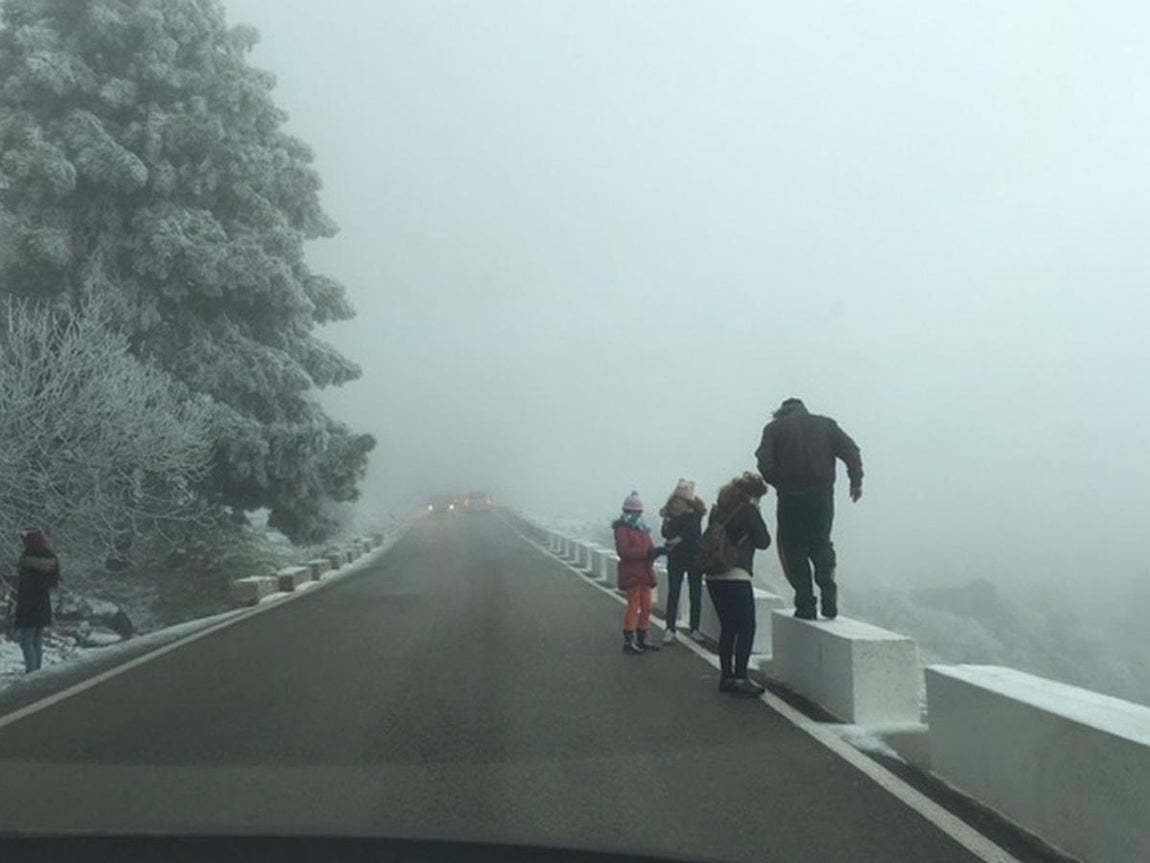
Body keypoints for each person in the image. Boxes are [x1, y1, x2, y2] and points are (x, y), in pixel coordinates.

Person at [754, 398, 863, 621]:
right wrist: (856, 481)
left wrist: (780, 482)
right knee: (821, 543)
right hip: (821, 496)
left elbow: (763, 462)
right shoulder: (826, 425)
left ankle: (805, 604)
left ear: (780, 412)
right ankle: (828, 590)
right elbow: (851, 450)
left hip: (790, 497)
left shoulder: (774, 428)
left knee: (792, 548)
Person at [704, 473, 771, 696]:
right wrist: (756, 512)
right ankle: (741, 677)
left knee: (728, 627)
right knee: (746, 626)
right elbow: (764, 541)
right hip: (736, 574)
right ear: (753, 494)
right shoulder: (749, 510)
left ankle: (727, 677)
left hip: (713, 575)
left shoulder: (717, 510)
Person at [613, 491, 665, 654]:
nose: (638, 514)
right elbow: (623, 551)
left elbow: (649, 549)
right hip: (631, 573)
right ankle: (629, 639)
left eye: (640, 512)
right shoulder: (622, 528)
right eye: (636, 512)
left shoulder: (642, 528)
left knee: (647, 606)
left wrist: (657, 551)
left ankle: (642, 636)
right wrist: (647, 553)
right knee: (634, 606)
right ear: (628, 511)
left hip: (645, 572)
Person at [659, 478, 707, 645]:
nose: (676, 504)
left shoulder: (695, 516)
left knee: (695, 594)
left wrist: (678, 539)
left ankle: (694, 628)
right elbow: (665, 534)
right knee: (673, 594)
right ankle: (670, 628)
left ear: (688, 503)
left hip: (694, 558)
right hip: (676, 559)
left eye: (679, 501)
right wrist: (667, 522)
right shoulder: (671, 517)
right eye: (675, 501)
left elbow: (693, 533)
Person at [15, 528, 60, 674]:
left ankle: (31, 671)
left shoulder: (28, 559)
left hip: (28, 606)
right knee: (37, 639)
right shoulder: (50, 558)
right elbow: (53, 581)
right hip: (43, 604)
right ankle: (37, 671)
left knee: (27, 640)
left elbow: (25, 586)